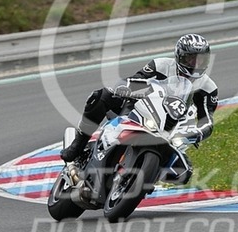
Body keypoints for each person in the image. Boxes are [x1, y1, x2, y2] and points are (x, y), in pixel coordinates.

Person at [60, 33, 218, 162]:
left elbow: (207, 120)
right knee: (101, 96)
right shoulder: (161, 65)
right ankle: (78, 144)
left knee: (185, 168)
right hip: (143, 108)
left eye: (201, 60)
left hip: (174, 126)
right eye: (191, 59)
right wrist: (124, 87)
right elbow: (136, 80)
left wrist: (198, 133)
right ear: (180, 57)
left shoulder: (208, 88)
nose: (195, 64)